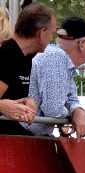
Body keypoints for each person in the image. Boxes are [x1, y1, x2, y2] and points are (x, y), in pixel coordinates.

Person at [25, 16, 85, 138]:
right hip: (23, 136)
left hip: (29, 135)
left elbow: (71, 99)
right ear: (82, 44)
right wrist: (72, 113)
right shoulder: (55, 57)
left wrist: (78, 111)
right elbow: (53, 110)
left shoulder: (62, 61)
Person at [0, 3, 56, 136]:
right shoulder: (8, 55)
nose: (51, 38)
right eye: (51, 33)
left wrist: (27, 100)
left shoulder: (26, 57)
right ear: (42, 33)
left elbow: (10, 97)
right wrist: (2, 107)